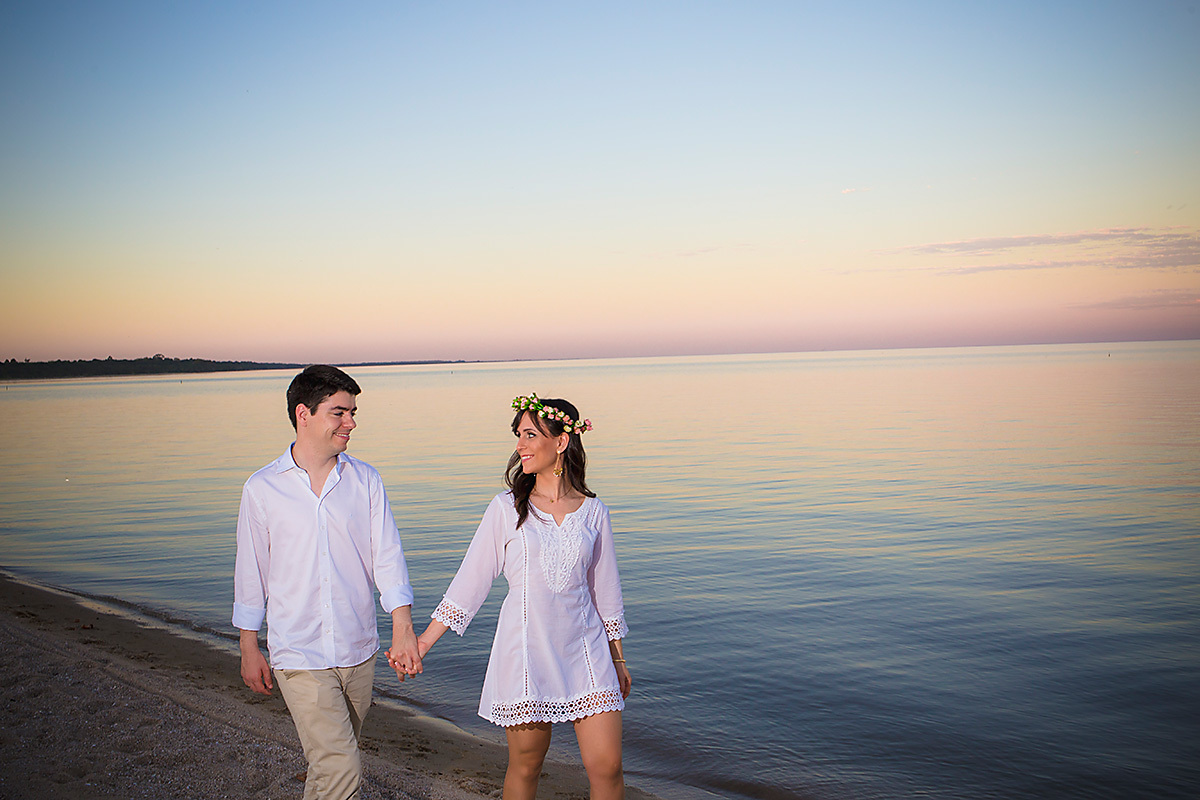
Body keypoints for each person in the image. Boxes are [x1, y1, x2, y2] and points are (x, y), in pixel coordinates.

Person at [402, 393, 631, 800]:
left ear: (561, 441)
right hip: (527, 653)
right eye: (519, 435)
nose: (520, 445)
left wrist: (617, 659)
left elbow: (605, 591)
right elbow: (471, 582)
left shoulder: (594, 511)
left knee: (608, 767)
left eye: (530, 435)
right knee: (527, 766)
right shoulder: (506, 508)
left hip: (587, 652)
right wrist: (422, 643)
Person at [233, 364, 421, 800]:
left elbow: (388, 558)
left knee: (329, 766)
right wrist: (248, 646)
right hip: (299, 651)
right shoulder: (262, 488)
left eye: (352, 413)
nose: (351, 423)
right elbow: (251, 573)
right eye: (339, 412)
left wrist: (403, 628)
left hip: (358, 648)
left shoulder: (366, 480)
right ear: (304, 414)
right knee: (341, 766)